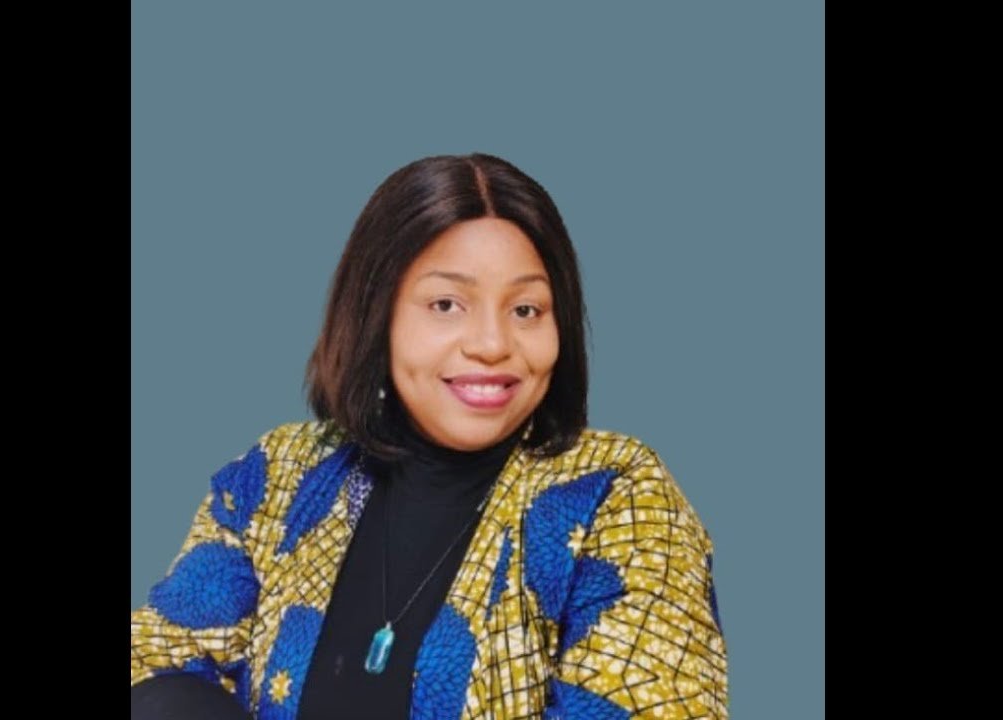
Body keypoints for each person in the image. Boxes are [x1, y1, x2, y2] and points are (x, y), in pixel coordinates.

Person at [130, 153, 728, 719]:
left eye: (526, 310)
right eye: (446, 304)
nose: (492, 344)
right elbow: (154, 669)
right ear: (377, 316)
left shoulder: (618, 495)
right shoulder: (279, 476)